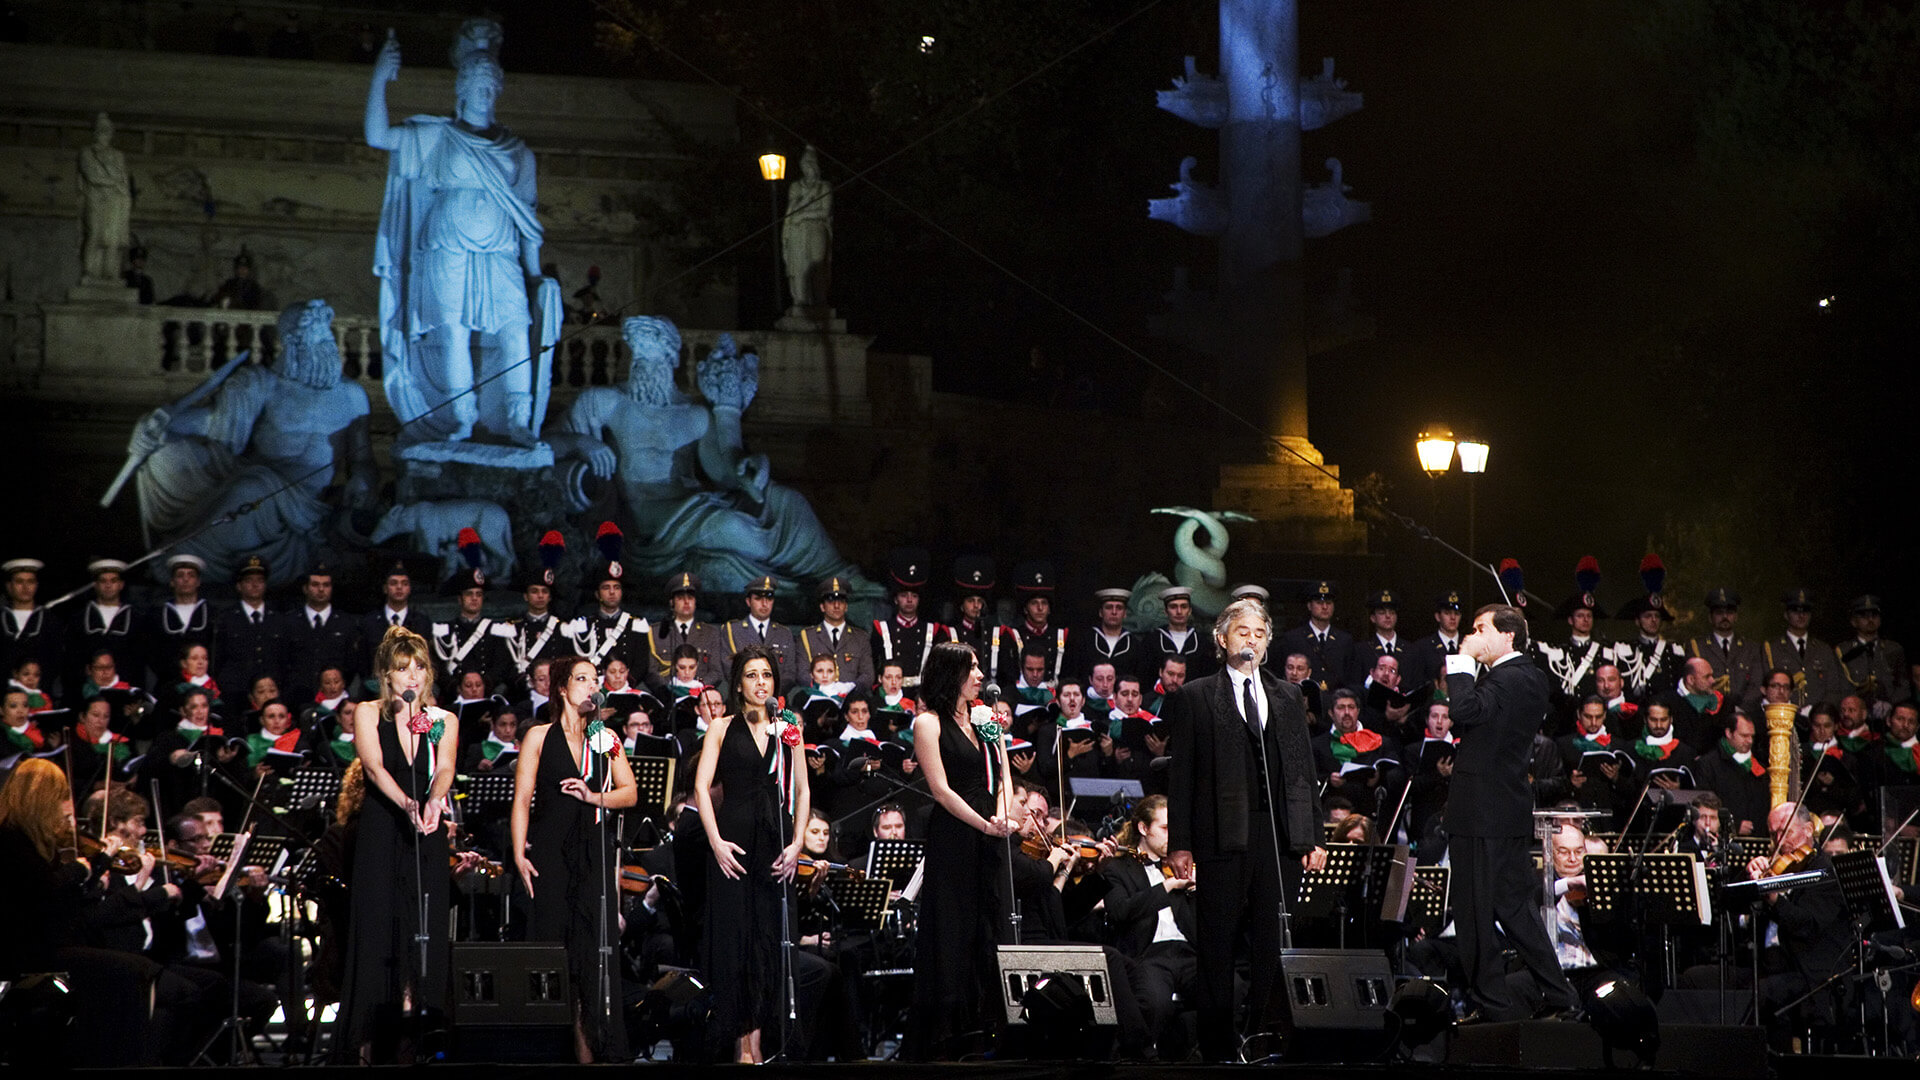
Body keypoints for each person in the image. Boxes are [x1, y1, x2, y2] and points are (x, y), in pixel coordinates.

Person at [1163, 597, 1327, 1060]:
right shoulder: (1197, 694)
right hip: (1221, 835)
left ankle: (1262, 1037)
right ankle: (1216, 1046)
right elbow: (1183, 777)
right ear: (1222, 639)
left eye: (1259, 634)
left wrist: (1311, 833)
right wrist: (1181, 844)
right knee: (1217, 943)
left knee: (1270, 945)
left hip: (1278, 837)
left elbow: (1301, 767)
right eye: (1242, 633)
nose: (1251, 640)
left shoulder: (1287, 694)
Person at [1443, 603, 1580, 1022]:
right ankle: (1559, 994)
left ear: (1508, 636)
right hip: (1497, 811)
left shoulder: (1512, 676)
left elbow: (1463, 712)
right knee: (1511, 908)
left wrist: (1461, 660)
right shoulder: (1518, 678)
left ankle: (1493, 1005)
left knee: (1475, 911)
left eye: (1480, 628)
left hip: (1484, 813)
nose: (1472, 635)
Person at [335, 626, 459, 1063]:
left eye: (419, 668)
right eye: (403, 669)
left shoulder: (442, 720)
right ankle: (370, 1042)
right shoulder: (370, 712)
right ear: (386, 675)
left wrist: (435, 800)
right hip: (384, 826)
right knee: (377, 930)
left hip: (424, 832)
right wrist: (407, 802)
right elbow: (372, 766)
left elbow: (445, 767)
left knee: (418, 930)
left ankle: (415, 1037)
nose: (412, 677)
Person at [510, 654, 637, 1062]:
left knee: (590, 958)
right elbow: (522, 800)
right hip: (550, 855)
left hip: (592, 856)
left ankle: (592, 1055)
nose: (591, 685)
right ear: (562, 688)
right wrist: (518, 852)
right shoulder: (538, 735)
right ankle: (552, 1055)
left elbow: (630, 793)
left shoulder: (604, 735)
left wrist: (593, 795)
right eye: (582, 678)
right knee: (553, 956)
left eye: (595, 679)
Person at [694, 644, 810, 1062]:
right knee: (737, 947)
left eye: (766, 675)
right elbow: (701, 790)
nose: (761, 682)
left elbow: (802, 789)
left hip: (776, 851)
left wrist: (797, 844)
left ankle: (762, 1046)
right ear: (738, 684)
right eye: (751, 675)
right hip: (734, 848)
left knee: (768, 944)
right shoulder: (721, 728)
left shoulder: (790, 726)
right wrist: (715, 841)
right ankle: (744, 1048)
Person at [907, 642, 1016, 1059]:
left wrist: (1003, 813)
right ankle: (946, 1036)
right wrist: (984, 823)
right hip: (956, 834)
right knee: (953, 929)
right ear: (949, 673)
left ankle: (987, 1027)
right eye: (971, 668)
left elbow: (1004, 773)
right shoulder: (928, 724)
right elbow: (940, 790)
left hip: (992, 830)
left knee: (990, 925)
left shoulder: (985, 719)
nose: (979, 675)